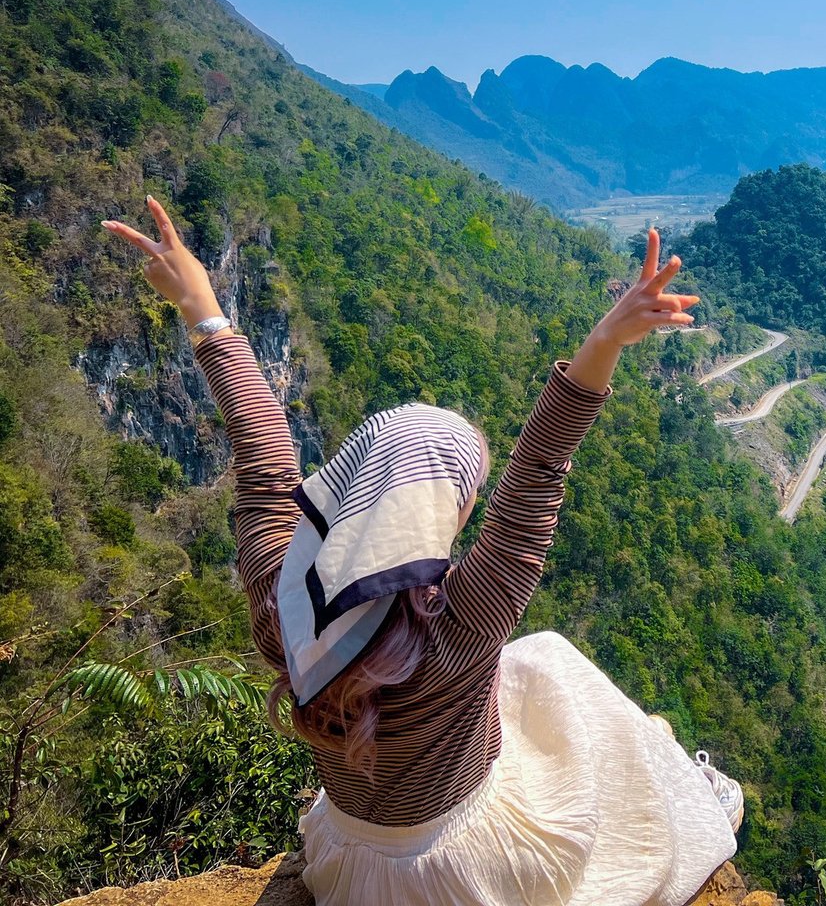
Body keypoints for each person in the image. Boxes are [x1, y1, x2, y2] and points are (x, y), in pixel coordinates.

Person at [102, 196, 742, 906]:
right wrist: (605, 342)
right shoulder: (463, 624)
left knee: (528, 665)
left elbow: (264, 466)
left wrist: (204, 309)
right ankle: (695, 793)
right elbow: (539, 471)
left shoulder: (282, 604)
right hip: (464, 874)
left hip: (350, 865)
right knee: (557, 664)